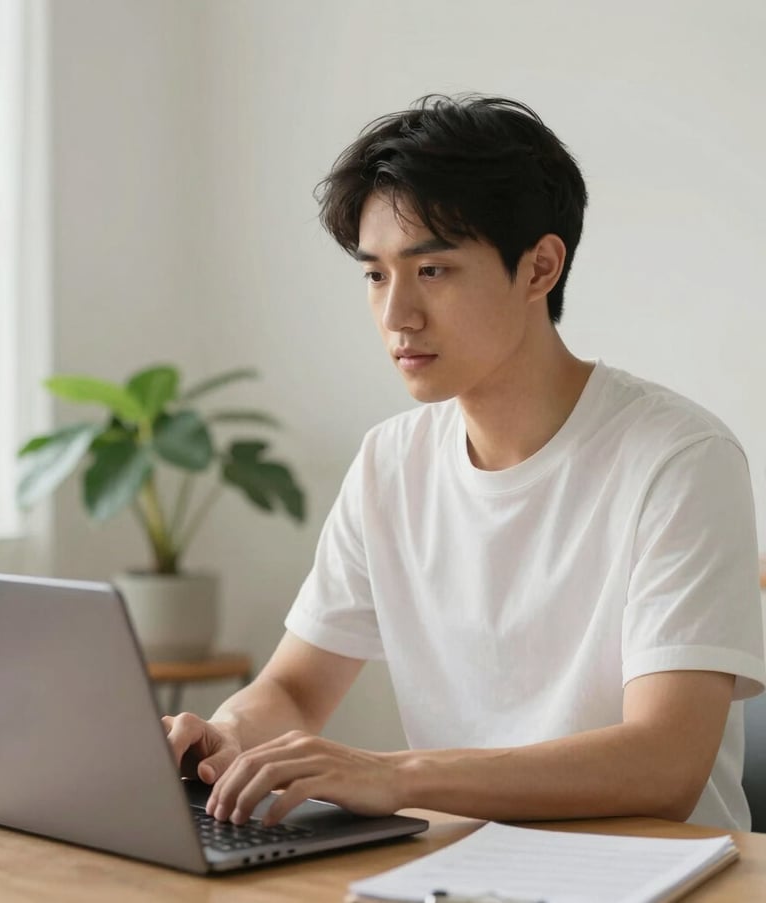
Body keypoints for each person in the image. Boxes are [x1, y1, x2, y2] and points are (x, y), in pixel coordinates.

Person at [165, 94, 765, 832]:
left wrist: (394, 774)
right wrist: (226, 737)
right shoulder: (392, 462)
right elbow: (292, 687)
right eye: (376, 275)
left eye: (435, 271)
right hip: (455, 872)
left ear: (541, 266)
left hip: (649, 876)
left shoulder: (680, 459)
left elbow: (664, 764)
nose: (397, 316)